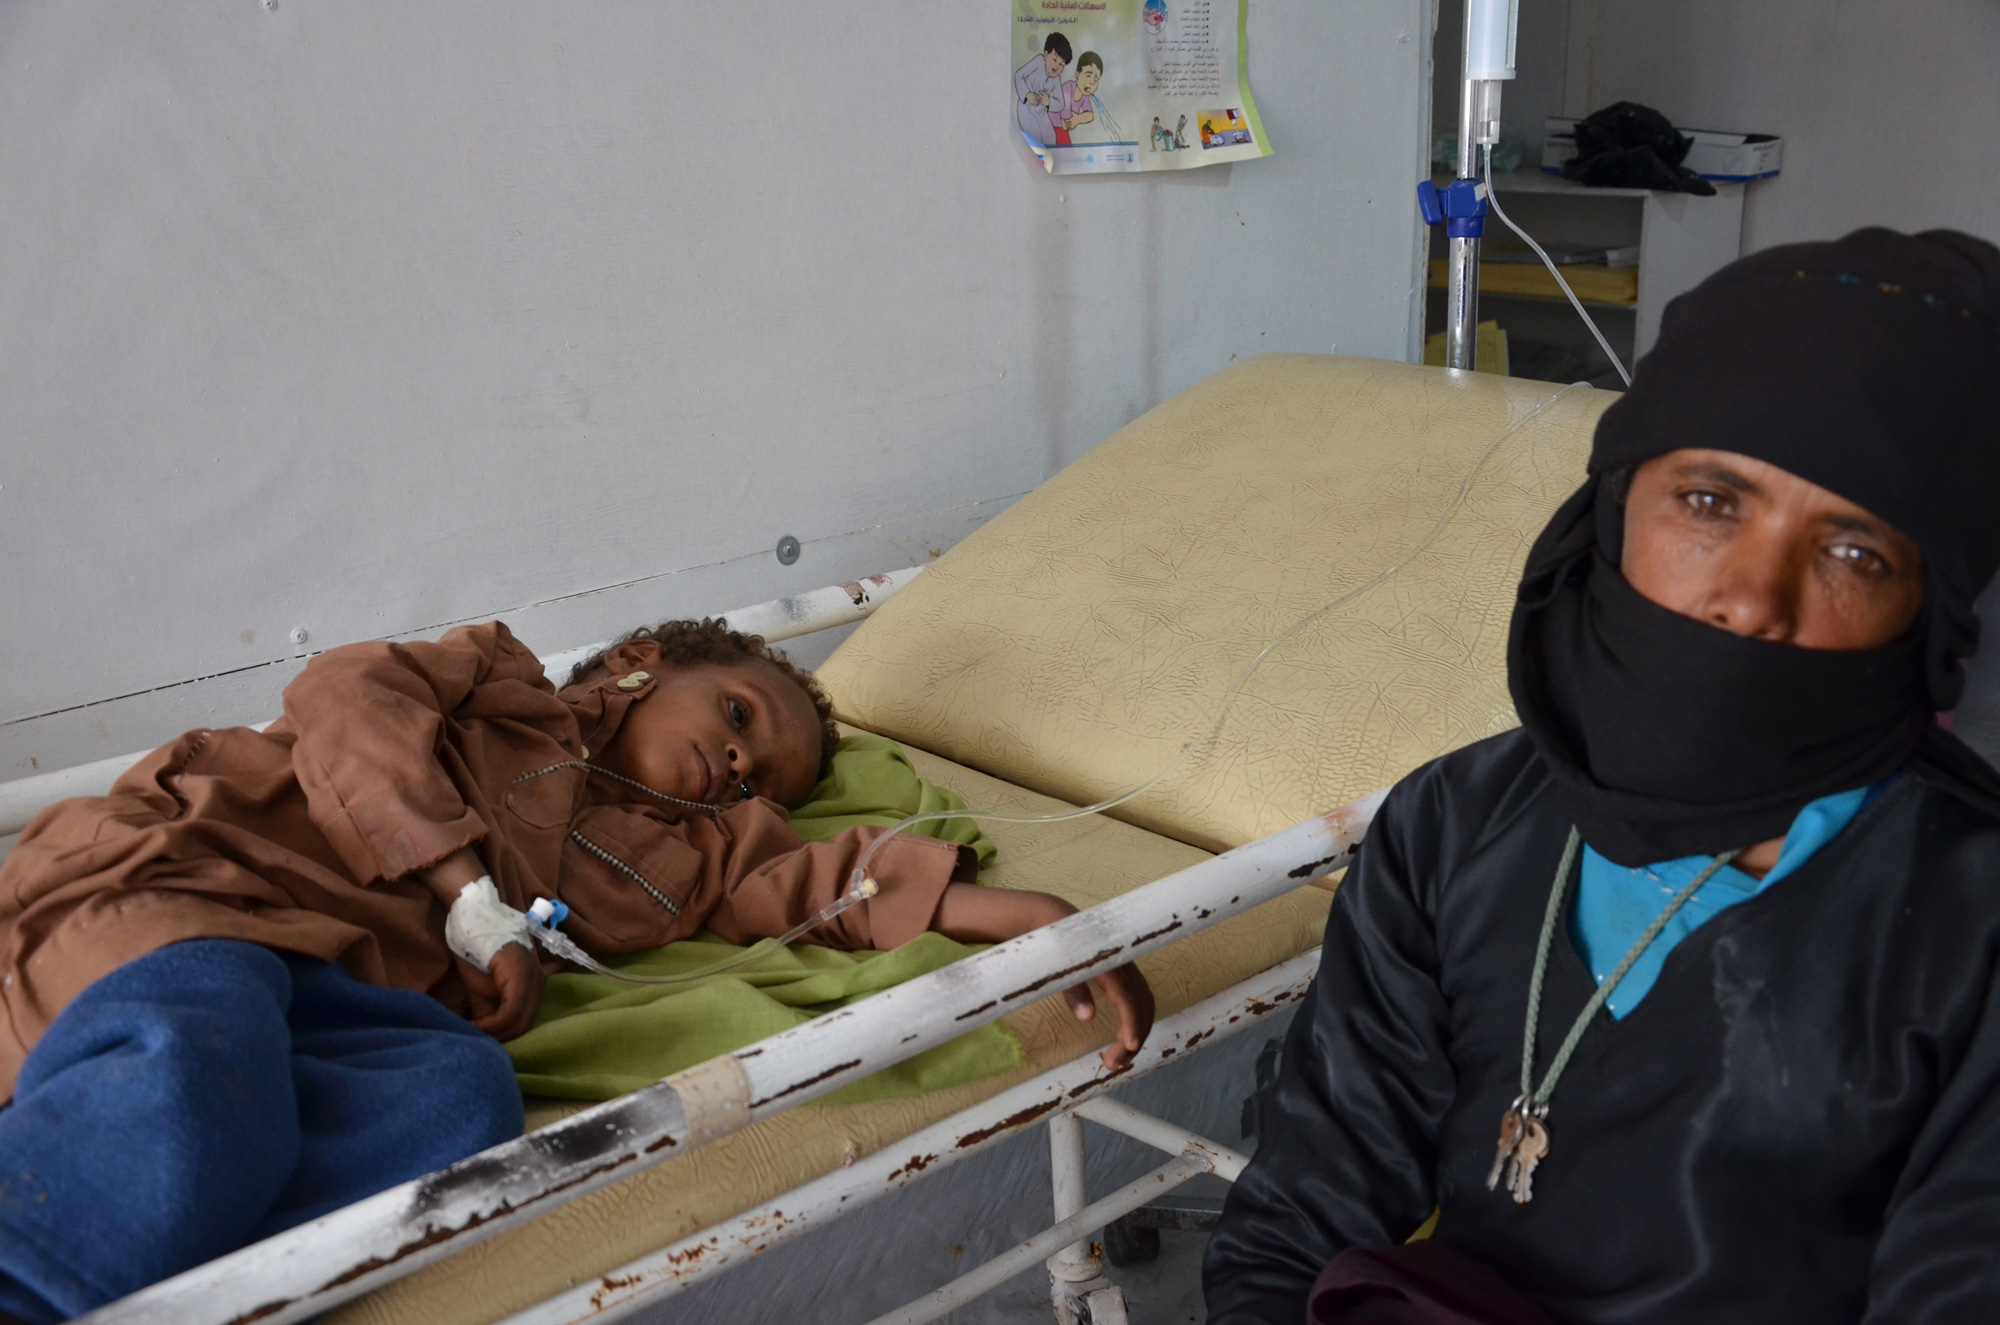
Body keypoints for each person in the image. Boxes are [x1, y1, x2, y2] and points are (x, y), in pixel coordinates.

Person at [1204, 228, 2000, 1324]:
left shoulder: (1967, 926)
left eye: (1853, 551)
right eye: (1710, 502)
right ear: (1614, 504)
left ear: (1930, 613)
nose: (1748, 598)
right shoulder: (1451, 824)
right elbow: (1295, 1219)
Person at [0, 616, 1153, 1322]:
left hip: (339, 984)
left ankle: (157, 1257)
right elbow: (345, 699)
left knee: (460, 1098)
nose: (739, 761)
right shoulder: (493, 686)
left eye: (760, 777)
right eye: (740, 711)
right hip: (195, 881)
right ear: (645, 663)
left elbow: (813, 885)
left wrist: (1024, 911)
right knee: (197, 1069)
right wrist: (467, 893)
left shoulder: (669, 860)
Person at [1014, 32, 1071, 148]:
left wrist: (1049, 101)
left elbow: (1060, 103)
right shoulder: (1039, 61)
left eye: (1061, 64)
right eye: (1055, 60)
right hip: (1025, 108)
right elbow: (1019, 75)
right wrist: (1027, 95)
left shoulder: (1056, 79)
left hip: (1041, 112)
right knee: (1035, 139)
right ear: (1046, 55)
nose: (1057, 67)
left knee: (1051, 137)